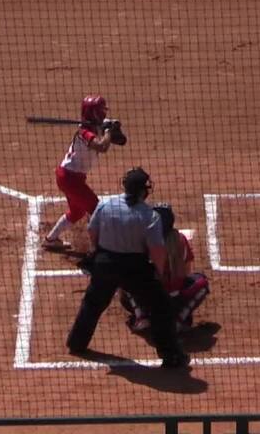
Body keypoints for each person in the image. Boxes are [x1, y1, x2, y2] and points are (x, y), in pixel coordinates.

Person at [66, 167, 189, 368]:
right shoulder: (150, 216)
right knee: (161, 307)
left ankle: (76, 344)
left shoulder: (106, 205)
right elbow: (156, 250)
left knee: (93, 303)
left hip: (105, 264)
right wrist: (157, 271)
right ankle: (171, 356)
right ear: (143, 191)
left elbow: (92, 231)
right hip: (135, 268)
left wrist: (99, 253)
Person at [44, 95, 126, 251]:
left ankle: (51, 239)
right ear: (95, 113)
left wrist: (114, 128)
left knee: (77, 211)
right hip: (69, 178)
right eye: (101, 110)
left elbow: (122, 141)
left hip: (70, 177)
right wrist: (108, 131)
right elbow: (102, 147)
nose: (103, 113)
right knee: (96, 209)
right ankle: (99, 249)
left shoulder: (95, 127)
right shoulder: (84, 132)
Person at [121, 204, 210, 333]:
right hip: (174, 301)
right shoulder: (179, 239)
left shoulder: (139, 239)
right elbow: (186, 272)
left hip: (146, 299)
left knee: (123, 275)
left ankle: (141, 317)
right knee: (202, 281)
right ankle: (179, 320)